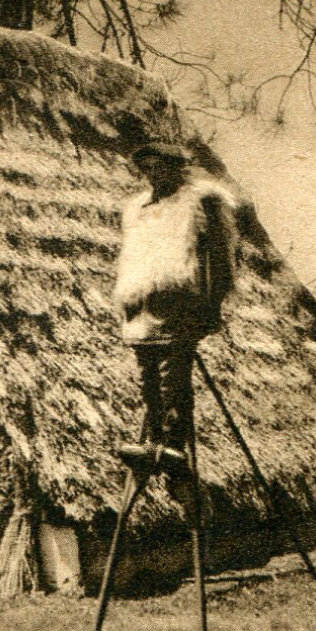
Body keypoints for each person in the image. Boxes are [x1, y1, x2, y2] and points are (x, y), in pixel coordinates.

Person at [111, 141, 238, 477]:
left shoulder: (199, 202)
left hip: (183, 304)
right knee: (148, 374)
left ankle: (173, 443)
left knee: (174, 373)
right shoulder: (137, 208)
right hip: (143, 305)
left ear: (176, 168)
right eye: (148, 168)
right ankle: (154, 440)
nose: (154, 175)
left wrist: (212, 305)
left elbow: (223, 259)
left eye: (160, 167)